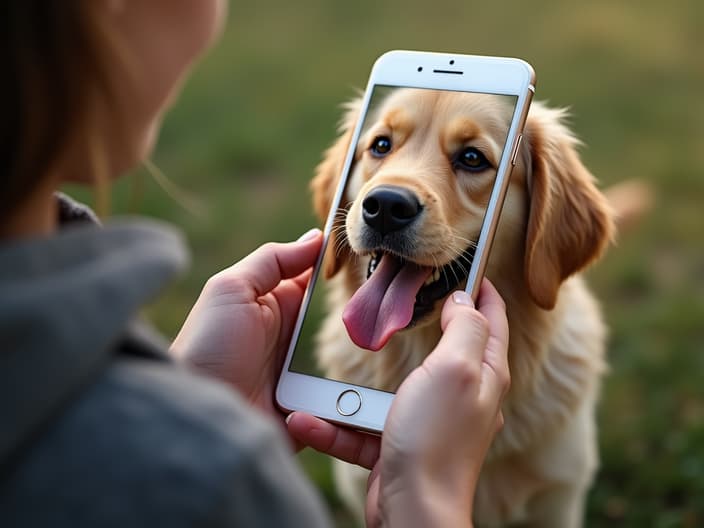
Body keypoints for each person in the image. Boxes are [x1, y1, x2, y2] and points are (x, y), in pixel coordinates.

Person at [0, 1, 510, 527]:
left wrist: (192, 396)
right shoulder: (216, 488)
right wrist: (427, 501)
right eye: (380, 146)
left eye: (473, 158)